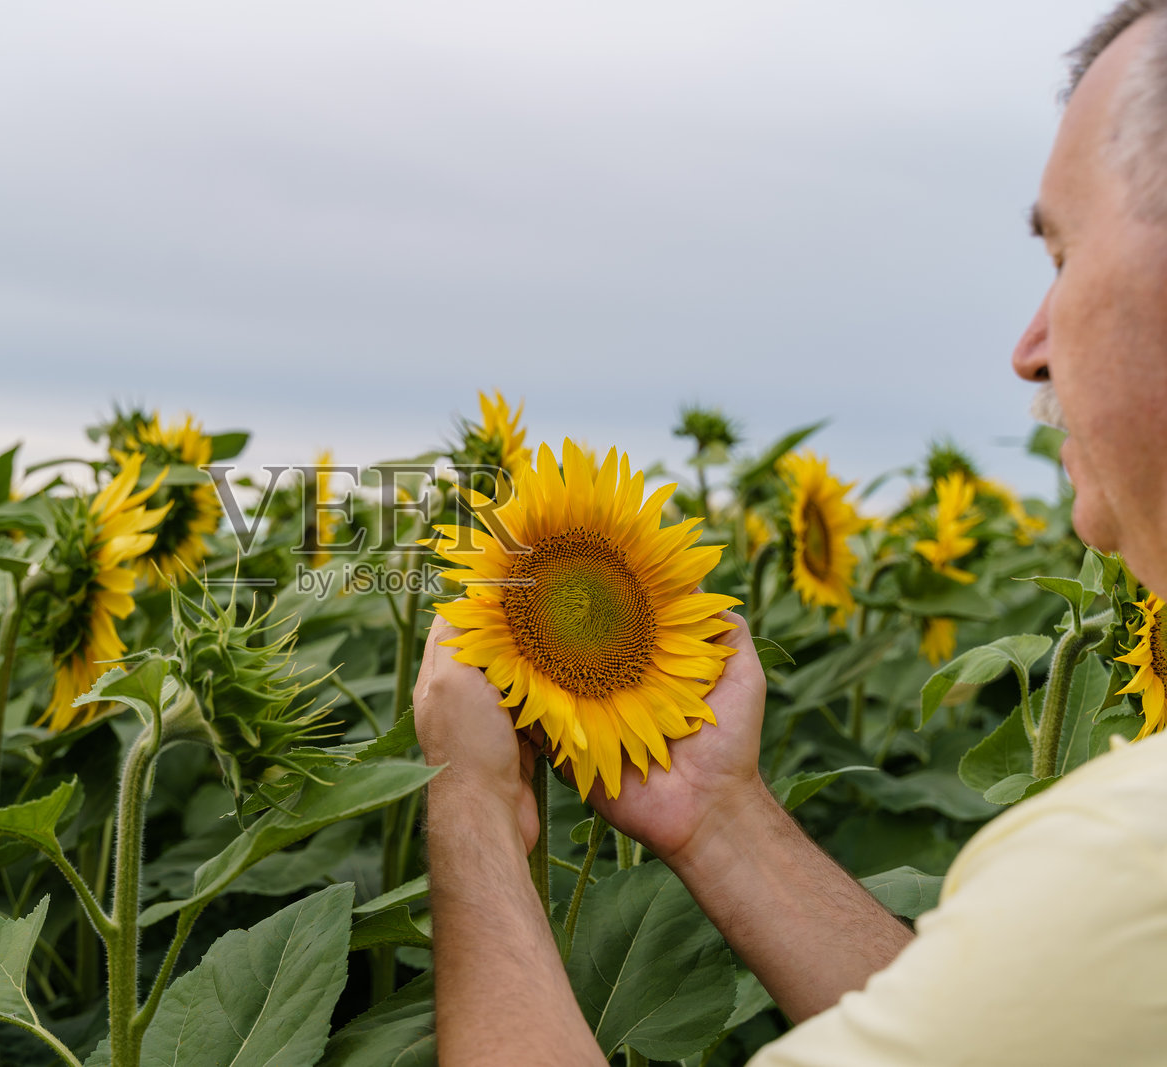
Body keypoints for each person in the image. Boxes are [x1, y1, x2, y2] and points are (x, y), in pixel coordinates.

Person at [414, 3, 1167, 1063]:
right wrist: (717, 814)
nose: (1028, 348)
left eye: (1061, 254)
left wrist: (472, 817)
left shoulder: (1132, 864)